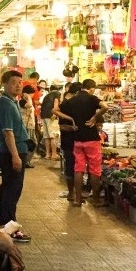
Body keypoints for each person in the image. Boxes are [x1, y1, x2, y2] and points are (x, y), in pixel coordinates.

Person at [0, 70, 31, 241]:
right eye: (14, 82)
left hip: (13, 151)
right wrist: (15, 156)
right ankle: (10, 227)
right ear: (5, 83)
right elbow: (8, 132)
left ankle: (4, 225)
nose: (18, 85)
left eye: (20, 82)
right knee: (12, 190)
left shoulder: (11, 102)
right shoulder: (6, 104)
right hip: (11, 152)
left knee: (8, 188)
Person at [59, 79, 108, 207]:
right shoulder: (92, 98)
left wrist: (70, 119)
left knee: (78, 169)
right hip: (92, 140)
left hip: (77, 140)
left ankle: (77, 199)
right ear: (91, 88)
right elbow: (105, 106)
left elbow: (55, 110)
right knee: (94, 170)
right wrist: (95, 117)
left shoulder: (72, 100)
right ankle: (96, 200)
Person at [55, 82, 82, 198]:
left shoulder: (72, 104)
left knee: (75, 167)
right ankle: (72, 193)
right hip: (69, 141)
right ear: (77, 92)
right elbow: (61, 126)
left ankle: (76, 193)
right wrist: (71, 127)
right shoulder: (66, 105)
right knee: (71, 167)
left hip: (76, 141)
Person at [39, 84, 61, 160]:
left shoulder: (47, 95)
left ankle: (48, 154)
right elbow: (56, 102)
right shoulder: (57, 93)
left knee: (47, 136)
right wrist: (55, 113)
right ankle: (54, 154)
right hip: (51, 116)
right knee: (54, 135)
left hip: (43, 116)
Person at [19, 85, 37, 168]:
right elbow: (29, 105)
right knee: (31, 144)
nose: (32, 96)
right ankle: (25, 161)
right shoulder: (22, 101)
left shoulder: (26, 101)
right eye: (32, 94)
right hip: (26, 126)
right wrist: (28, 97)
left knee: (31, 144)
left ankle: (26, 161)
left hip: (30, 126)